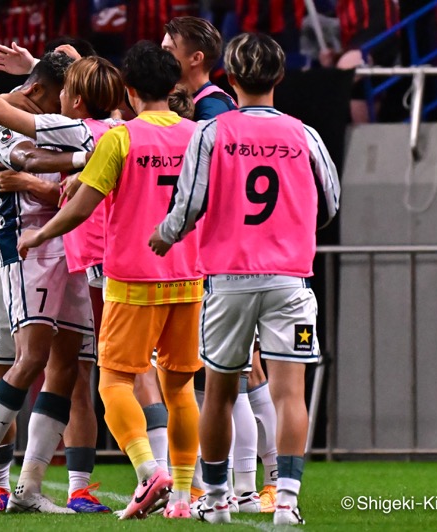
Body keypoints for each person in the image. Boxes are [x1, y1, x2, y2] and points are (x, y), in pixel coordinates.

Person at [148, 32, 340, 525]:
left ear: (230, 78)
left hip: (229, 278)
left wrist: (165, 236)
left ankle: (215, 502)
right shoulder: (304, 134)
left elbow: (188, 205)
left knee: (219, 391)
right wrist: (294, 228)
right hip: (289, 279)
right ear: (278, 77)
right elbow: (331, 202)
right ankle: (288, 502)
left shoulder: (214, 133)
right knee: (289, 391)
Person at [17, 40, 202, 520]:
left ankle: (147, 470)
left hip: (134, 278)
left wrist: (40, 234)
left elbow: (81, 205)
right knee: (180, 388)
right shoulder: (198, 136)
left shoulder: (121, 138)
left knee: (114, 380)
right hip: (188, 277)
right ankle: (182, 498)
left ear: (131, 89)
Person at [0, 50, 99, 514]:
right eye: (68, 93)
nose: (73, 102)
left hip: (71, 251)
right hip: (21, 252)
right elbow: (24, 158)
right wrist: (86, 157)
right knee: (19, 362)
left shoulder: (63, 121)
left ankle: (30, 486)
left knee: (65, 367)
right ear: (39, 91)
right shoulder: (9, 120)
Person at [161, 16, 237, 121]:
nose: (160, 57)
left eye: (168, 51)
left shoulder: (213, 108)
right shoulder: (169, 97)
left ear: (196, 58)